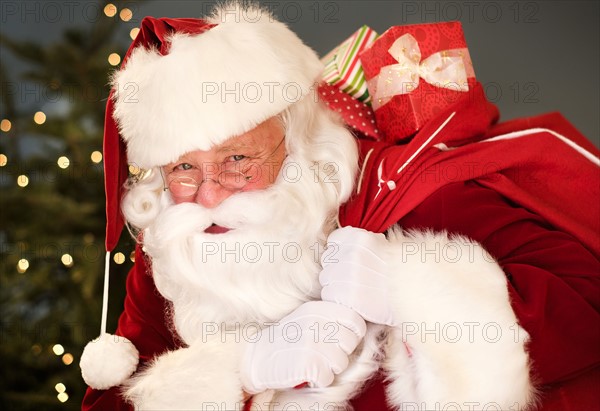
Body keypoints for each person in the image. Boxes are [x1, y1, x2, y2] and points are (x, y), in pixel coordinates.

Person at [81, 3, 599, 410]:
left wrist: (406, 292)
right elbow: (109, 402)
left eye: (238, 158)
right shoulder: (175, 253)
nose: (210, 194)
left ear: (300, 142)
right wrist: (241, 371)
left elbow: (587, 302)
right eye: (183, 169)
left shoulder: (399, 194)